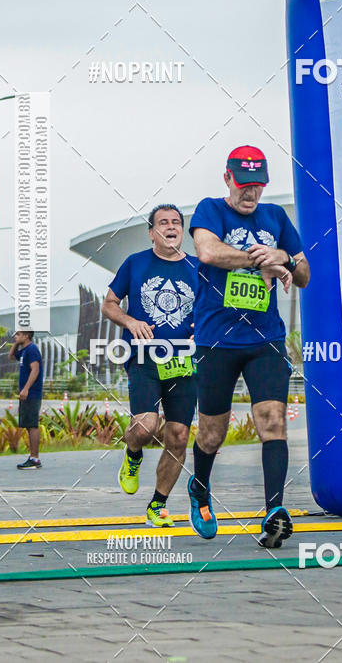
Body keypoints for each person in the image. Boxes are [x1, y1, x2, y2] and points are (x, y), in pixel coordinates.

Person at [188, 146, 310, 547]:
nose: (250, 195)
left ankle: (274, 511)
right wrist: (260, 261)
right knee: (212, 433)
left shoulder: (275, 217)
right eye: (244, 186)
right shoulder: (209, 209)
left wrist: (286, 261)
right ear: (227, 179)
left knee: (273, 421)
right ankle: (200, 488)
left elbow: (305, 272)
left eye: (257, 186)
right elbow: (208, 251)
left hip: (265, 338)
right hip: (216, 340)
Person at [102, 203, 198, 527]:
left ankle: (158, 505)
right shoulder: (136, 263)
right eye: (163, 223)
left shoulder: (199, 269)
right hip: (144, 356)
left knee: (178, 435)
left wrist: (205, 326)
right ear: (151, 233)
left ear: (182, 231)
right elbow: (109, 304)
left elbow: (214, 310)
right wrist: (129, 322)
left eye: (176, 223)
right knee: (145, 425)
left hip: (184, 361)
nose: (170, 227)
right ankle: (132, 455)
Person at [10, 330, 43, 470]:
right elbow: (11, 356)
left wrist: (26, 388)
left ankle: (35, 458)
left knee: (32, 425)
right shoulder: (24, 351)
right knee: (29, 425)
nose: (15, 337)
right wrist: (15, 343)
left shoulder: (32, 349)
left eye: (18, 334)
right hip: (26, 394)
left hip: (31, 393)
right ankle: (32, 457)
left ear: (26, 335)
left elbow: (35, 370)